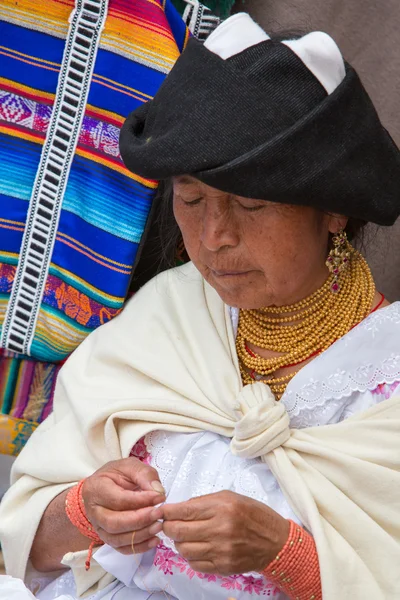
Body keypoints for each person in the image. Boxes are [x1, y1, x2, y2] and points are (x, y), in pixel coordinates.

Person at [1, 12, 400, 600]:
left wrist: (285, 554)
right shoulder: (165, 318)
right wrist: (85, 511)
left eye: (252, 206)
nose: (214, 237)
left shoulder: (383, 382)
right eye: (191, 200)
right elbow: (26, 540)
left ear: (333, 210)